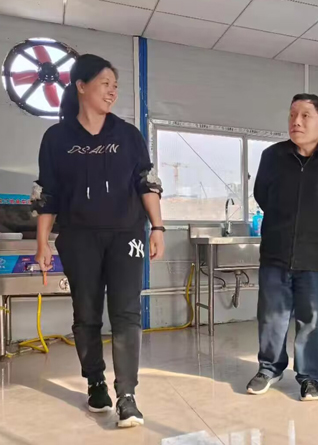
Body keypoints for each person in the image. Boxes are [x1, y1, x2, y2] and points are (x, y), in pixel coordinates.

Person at [33, 54, 165, 428]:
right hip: (78, 237)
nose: (112, 91)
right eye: (105, 83)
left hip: (126, 234)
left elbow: (146, 182)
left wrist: (157, 227)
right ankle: (95, 383)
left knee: (126, 312)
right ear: (81, 86)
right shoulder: (57, 138)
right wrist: (42, 244)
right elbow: (47, 195)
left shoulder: (128, 135)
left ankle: (127, 396)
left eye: (115, 86)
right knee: (87, 313)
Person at [246, 94, 318, 401]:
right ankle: (269, 368)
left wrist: (315, 227)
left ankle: (309, 377)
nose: (296, 121)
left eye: (305, 115)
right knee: (271, 317)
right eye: (293, 114)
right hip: (276, 251)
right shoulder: (272, 156)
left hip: (315, 254)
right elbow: (262, 195)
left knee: (312, 320)